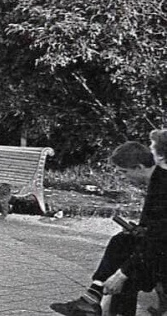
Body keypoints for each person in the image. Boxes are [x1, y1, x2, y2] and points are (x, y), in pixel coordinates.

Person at [51, 132, 167, 316]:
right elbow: (154, 231)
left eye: (124, 172)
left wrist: (121, 274)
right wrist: (137, 231)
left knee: (124, 274)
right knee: (122, 241)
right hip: (160, 249)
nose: (122, 177)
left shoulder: (162, 187)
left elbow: (157, 239)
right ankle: (92, 298)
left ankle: (92, 299)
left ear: (138, 167)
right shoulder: (158, 180)